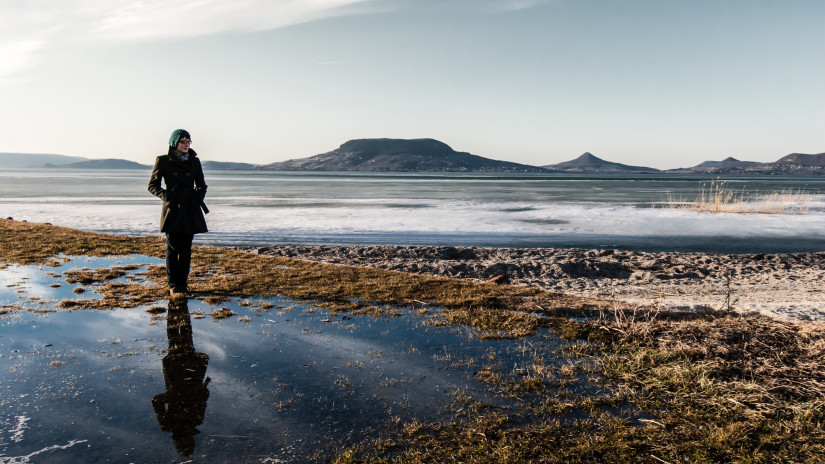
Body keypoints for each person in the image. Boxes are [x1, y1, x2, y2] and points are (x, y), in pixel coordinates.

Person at [148, 129, 208, 296]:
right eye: (183, 141)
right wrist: (168, 197)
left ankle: (183, 284)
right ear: (175, 143)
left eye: (188, 141)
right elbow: (152, 186)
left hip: (190, 209)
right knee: (172, 248)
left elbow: (202, 185)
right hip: (173, 209)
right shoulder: (163, 161)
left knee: (186, 249)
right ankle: (173, 285)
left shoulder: (195, 162)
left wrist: (197, 198)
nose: (186, 144)